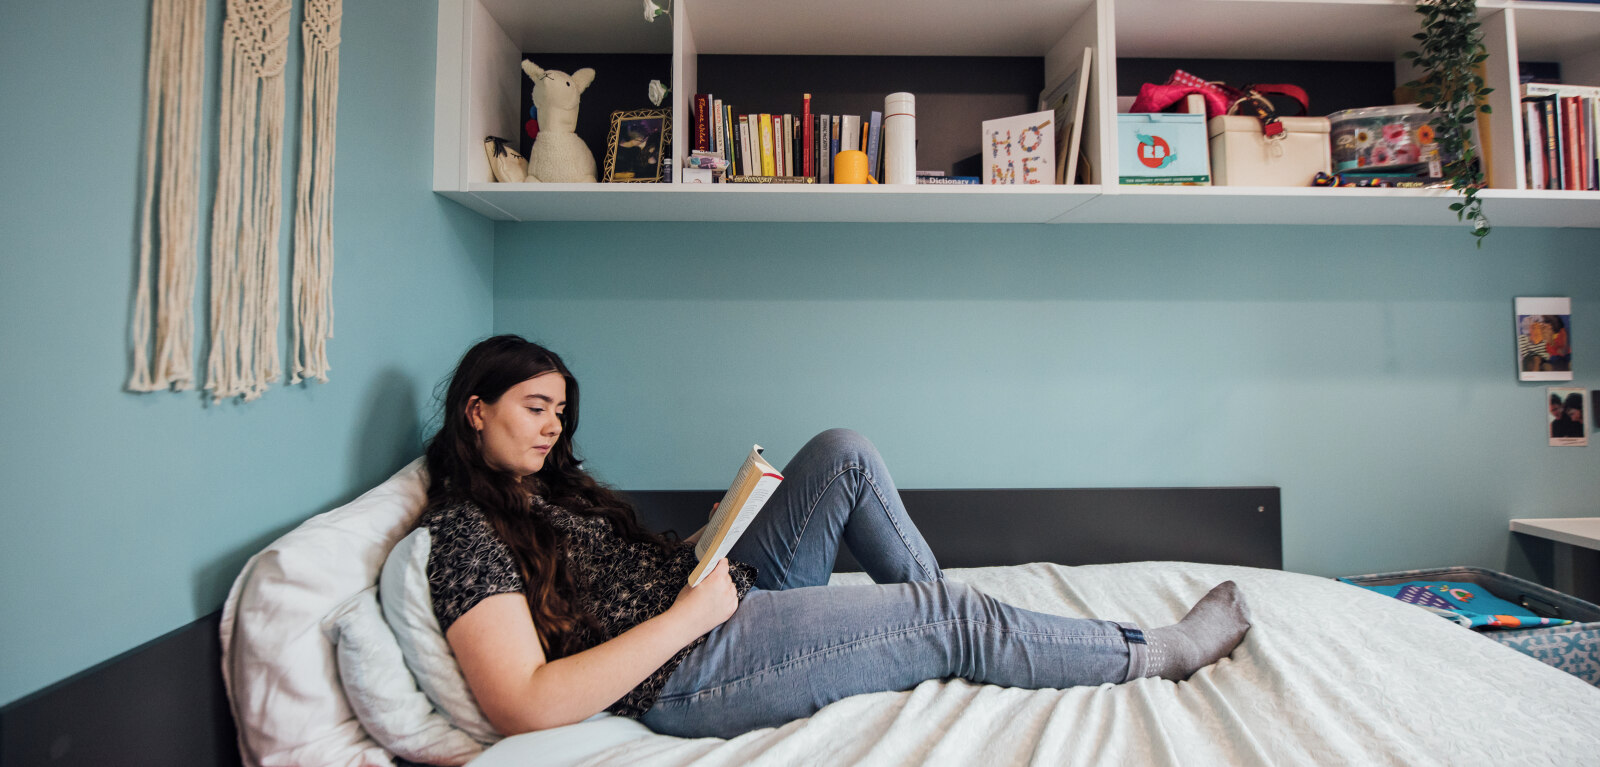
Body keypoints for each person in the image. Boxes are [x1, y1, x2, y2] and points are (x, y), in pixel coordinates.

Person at [417, 335, 1251, 740]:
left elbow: (613, 576)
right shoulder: (462, 531)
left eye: (560, 412)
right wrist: (691, 616)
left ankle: (949, 633)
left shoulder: (546, 488)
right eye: (535, 408)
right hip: (689, 665)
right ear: (476, 408)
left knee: (842, 455)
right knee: (948, 613)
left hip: (707, 597)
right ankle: (1159, 649)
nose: (554, 428)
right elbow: (523, 701)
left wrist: (715, 537)